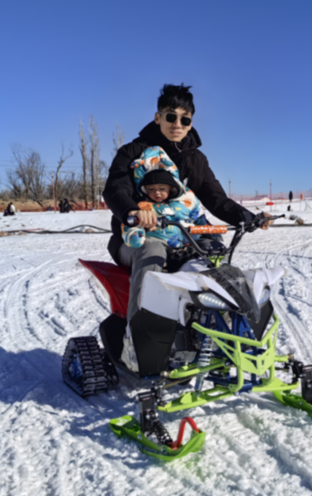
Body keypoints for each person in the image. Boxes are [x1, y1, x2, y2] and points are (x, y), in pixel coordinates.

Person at [102, 84, 270, 372]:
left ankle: (222, 338)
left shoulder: (195, 159)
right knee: (153, 254)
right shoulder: (134, 152)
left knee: (215, 263)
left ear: (191, 121)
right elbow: (115, 190)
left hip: (184, 239)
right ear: (158, 118)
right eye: (170, 117)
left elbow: (215, 197)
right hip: (137, 237)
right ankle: (137, 344)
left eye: (185, 119)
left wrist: (246, 216)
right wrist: (132, 211)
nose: (177, 125)